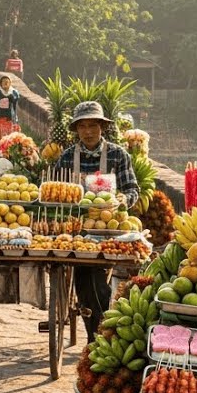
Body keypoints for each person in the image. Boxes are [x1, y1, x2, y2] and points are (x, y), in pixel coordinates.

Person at [53, 101, 140, 338]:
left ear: (102, 127)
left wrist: (123, 198)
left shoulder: (117, 155)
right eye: (83, 126)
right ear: (76, 129)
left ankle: (97, 334)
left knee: (98, 281)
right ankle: (96, 332)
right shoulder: (67, 157)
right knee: (84, 276)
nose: (88, 131)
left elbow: (132, 189)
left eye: (93, 125)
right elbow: (56, 190)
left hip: (107, 232)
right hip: (75, 232)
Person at [0, 74, 21, 159]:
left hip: (10, 120)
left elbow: (15, 99)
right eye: (3, 82)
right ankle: (1, 153)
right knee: (0, 139)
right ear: (0, 83)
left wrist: (10, 96)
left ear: (10, 83)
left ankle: (6, 155)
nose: (5, 84)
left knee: (9, 139)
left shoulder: (14, 92)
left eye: (7, 82)